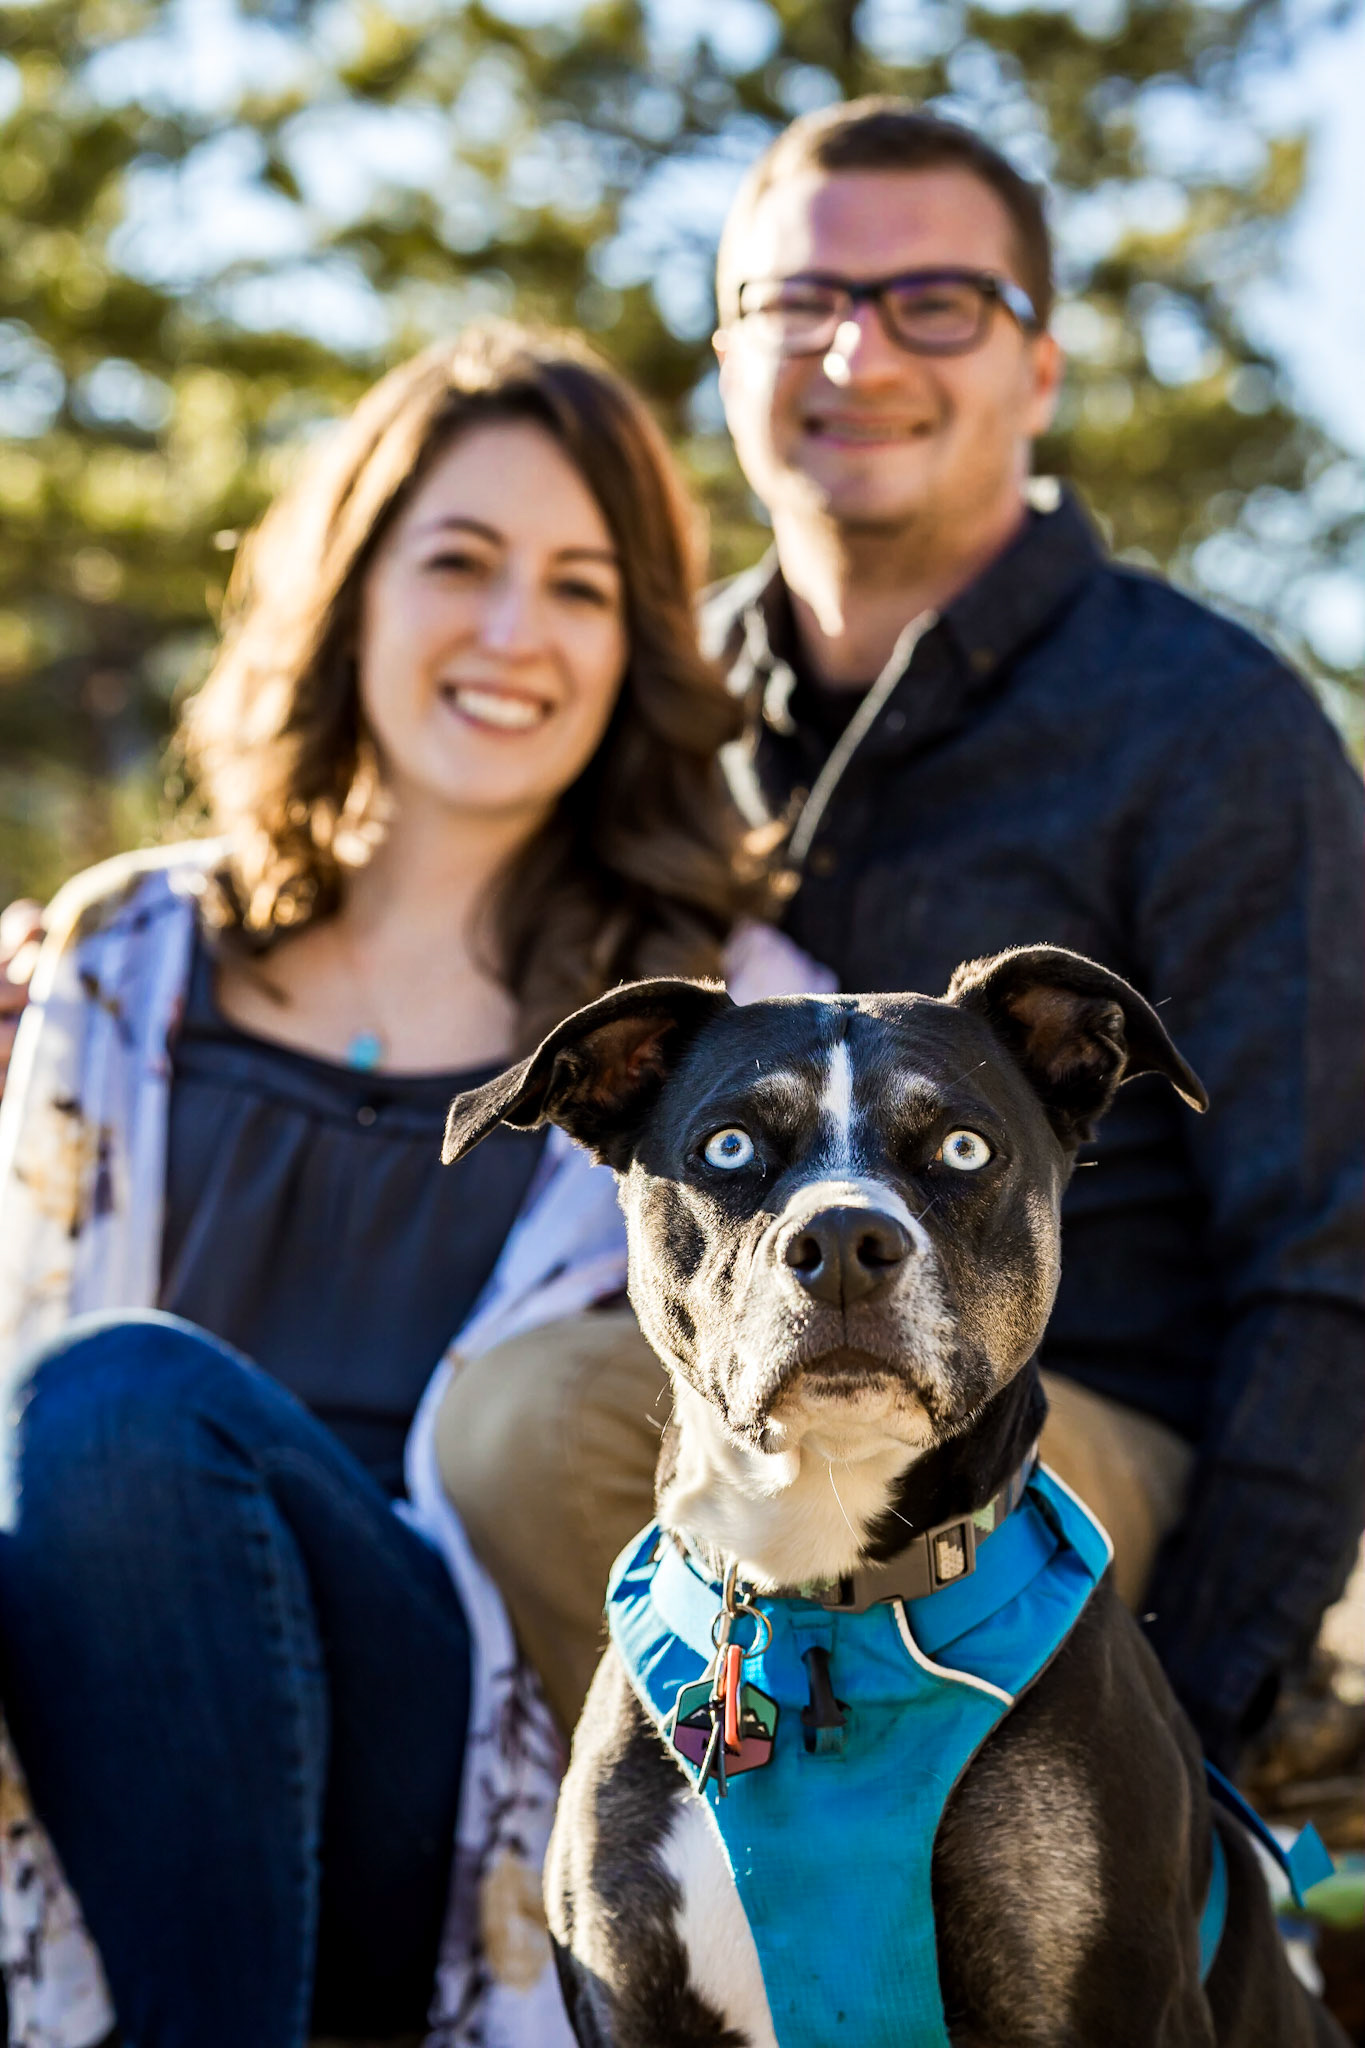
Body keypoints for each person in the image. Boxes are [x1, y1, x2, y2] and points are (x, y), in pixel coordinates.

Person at [439, 99, 1364, 1778]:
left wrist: (1198, 1703)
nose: (856, 351)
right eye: (796, 302)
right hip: (732, 1396)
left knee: (537, 1425)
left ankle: (840, 1908)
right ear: (727, 351)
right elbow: (426, 892)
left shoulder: (1210, 723)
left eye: (934, 302)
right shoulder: (660, 703)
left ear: (1039, 368)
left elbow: (1335, 1256)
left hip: (1079, 1453)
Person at [0, 321, 817, 2048]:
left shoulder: (717, 1031)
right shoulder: (122, 953)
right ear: (352, 588)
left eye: (582, 588)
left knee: (125, 1404)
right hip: (95, 1718)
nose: (515, 633)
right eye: (461, 561)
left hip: (445, 1759)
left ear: (635, 648)